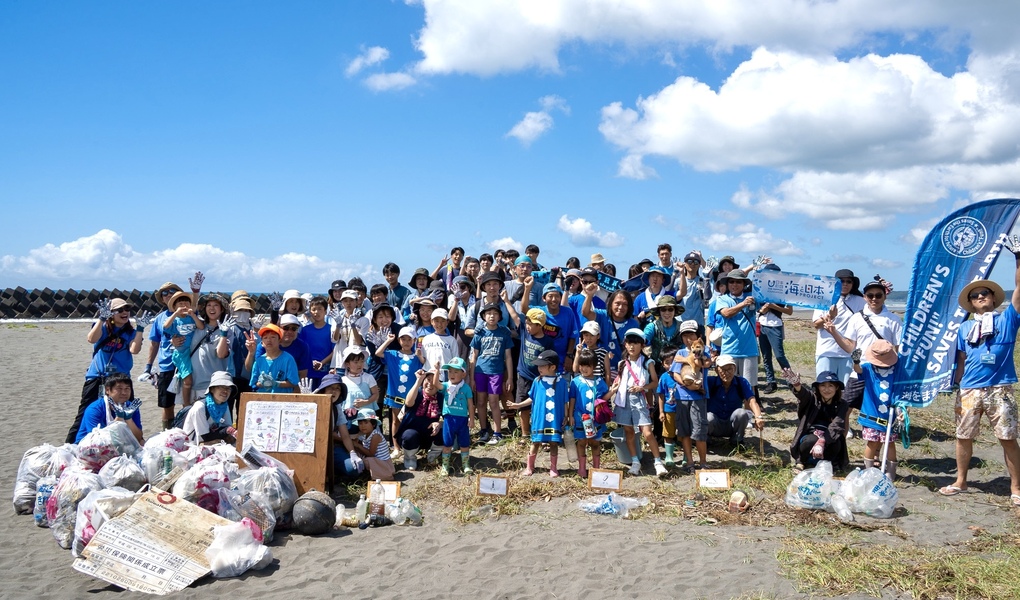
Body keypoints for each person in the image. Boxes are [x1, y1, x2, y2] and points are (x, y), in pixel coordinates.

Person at [939, 255, 1020, 505]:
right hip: (969, 389)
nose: (980, 297)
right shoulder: (964, 329)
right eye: (975, 296)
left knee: (1007, 437)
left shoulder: (1007, 319)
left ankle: (1016, 487)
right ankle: (961, 481)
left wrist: (1018, 259)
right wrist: (954, 382)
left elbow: (1019, 289)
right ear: (971, 304)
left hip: (1000, 388)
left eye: (985, 293)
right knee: (963, 436)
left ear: (994, 298)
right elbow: (961, 359)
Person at [66, 297, 148, 444]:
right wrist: (102, 318)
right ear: (111, 313)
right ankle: (70, 446)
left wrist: (140, 329)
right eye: (120, 310)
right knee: (84, 413)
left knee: (126, 411)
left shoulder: (130, 332)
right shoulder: (103, 327)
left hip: (121, 381)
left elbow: (134, 350)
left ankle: (126, 443)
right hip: (97, 377)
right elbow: (91, 339)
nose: (125, 312)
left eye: (127, 309)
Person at [612, 328, 668, 476]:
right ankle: (635, 461)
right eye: (629, 342)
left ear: (642, 345)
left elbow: (655, 382)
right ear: (625, 344)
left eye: (636, 343)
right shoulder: (622, 363)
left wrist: (642, 387)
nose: (632, 346)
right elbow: (619, 381)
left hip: (639, 400)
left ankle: (658, 462)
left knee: (647, 432)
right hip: (623, 400)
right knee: (629, 432)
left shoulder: (648, 362)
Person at [512, 349, 569, 477]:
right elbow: (531, 398)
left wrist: (566, 416)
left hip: (555, 419)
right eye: (538, 365)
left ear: (553, 367)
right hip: (539, 419)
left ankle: (553, 468)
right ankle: (529, 467)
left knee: (554, 442)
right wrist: (519, 405)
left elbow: (565, 401)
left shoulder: (561, 382)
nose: (539, 368)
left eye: (542, 365)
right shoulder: (537, 381)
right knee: (535, 442)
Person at [468, 301, 515, 445]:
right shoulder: (479, 332)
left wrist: (510, 378)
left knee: (494, 401)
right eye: (488, 313)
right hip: (480, 371)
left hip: (496, 372)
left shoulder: (504, 332)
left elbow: (508, 356)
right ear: (483, 316)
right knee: (481, 401)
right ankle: (483, 430)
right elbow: (474, 356)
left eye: (495, 313)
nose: (492, 316)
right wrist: (471, 379)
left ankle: (497, 432)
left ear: (500, 316)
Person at [853, 340, 901, 479]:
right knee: (872, 442)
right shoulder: (868, 368)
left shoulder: (897, 369)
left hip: (889, 416)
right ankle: (868, 471)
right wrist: (855, 362)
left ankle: (891, 472)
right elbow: (859, 370)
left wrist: (901, 411)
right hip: (871, 414)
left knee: (890, 443)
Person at [669, 321, 711, 471]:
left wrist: (696, 358)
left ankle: (703, 462)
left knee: (699, 431)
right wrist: (687, 384)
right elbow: (674, 373)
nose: (688, 338)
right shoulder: (680, 353)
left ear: (697, 336)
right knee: (684, 431)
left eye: (691, 334)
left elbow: (706, 363)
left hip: (698, 397)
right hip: (682, 396)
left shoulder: (704, 352)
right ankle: (689, 462)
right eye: (685, 335)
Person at [812, 269, 865, 384]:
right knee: (824, 386)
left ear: (853, 284)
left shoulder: (860, 301)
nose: (845, 284)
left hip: (849, 353)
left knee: (845, 389)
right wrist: (830, 316)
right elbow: (816, 325)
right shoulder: (824, 299)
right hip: (826, 350)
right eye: (841, 281)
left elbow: (874, 306)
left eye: (848, 281)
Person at [789, 370, 850, 471]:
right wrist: (797, 385)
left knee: (835, 443)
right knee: (810, 441)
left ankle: (829, 464)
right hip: (811, 434)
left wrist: (822, 440)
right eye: (823, 385)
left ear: (837, 387)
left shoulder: (842, 404)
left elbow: (837, 424)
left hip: (830, 435)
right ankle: (802, 461)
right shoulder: (812, 399)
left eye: (831, 385)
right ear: (818, 387)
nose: (827, 389)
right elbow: (803, 394)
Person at [713, 269, 760, 395]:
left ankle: (750, 413)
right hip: (729, 349)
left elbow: (769, 300)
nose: (734, 284)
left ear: (744, 284)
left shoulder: (752, 297)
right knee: (727, 384)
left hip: (749, 350)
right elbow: (726, 313)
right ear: (727, 284)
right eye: (731, 281)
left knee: (749, 387)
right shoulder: (723, 299)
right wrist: (744, 304)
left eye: (738, 282)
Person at [147, 281, 186, 429]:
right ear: (162, 298)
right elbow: (154, 344)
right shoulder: (159, 319)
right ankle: (167, 433)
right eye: (165, 292)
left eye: (172, 291)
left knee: (187, 403)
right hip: (166, 367)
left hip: (186, 365)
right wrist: (148, 366)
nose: (169, 294)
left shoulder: (190, 314)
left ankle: (186, 433)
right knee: (167, 405)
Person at [511, 308, 556, 436]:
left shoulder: (548, 341)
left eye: (531, 324)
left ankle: (540, 432)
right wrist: (507, 301)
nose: (528, 326)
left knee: (540, 406)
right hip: (524, 377)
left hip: (540, 379)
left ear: (539, 325)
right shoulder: (525, 332)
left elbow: (551, 360)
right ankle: (525, 434)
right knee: (522, 406)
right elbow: (515, 315)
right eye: (527, 323)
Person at [568, 348, 611, 479]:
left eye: (588, 366)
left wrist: (613, 391)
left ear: (594, 366)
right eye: (582, 365)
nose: (584, 369)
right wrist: (570, 415)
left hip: (595, 419)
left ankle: (596, 469)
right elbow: (572, 399)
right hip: (580, 418)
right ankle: (582, 468)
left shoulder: (599, 381)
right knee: (581, 442)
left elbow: (603, 398)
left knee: (595, 443)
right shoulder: (576, 382)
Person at [705, 355, 764, 447]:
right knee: (708, 417)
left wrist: (758, 417)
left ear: (735, 369)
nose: (726, 373)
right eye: (723, 369)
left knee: (741, 413)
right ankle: (705, 440)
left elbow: (752, 401)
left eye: (730, 369)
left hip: (731, 424)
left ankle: (737, 440)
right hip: (714, 424)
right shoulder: (709, 382)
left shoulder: (741, 382)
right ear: (716, 370)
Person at [163, 290, 206, 409]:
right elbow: (165, 326)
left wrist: (193, 315)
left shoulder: (192, 318)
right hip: (181, 353)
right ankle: (186, 405)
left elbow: (201, 326)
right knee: (188, 380)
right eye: (180, 304)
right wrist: (175, 314)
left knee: (191, 379)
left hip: (193, 352)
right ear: (175, 307)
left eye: (186, 303)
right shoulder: (175, 321)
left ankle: (188, 403)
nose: (184, 306)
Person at [74, 372, 143, 444]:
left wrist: (128, 419)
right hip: (90, 446)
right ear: (107, 390)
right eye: (119, 389)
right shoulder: (95, 409)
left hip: (118, 444)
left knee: (142, 443)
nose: (124, 393)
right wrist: (119, 418)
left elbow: (138, 439)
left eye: (127, 389)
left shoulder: (131, 407)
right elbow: (99, 441)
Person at [756, 263, 793, 394]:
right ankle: (771, 382)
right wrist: (762, 309)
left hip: (775, 326)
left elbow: (789, 311)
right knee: (766, 356)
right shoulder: (760, 289)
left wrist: (772, 306)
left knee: (779, 355)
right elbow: (756, 308)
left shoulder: (784, 290)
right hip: (761, 324)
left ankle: (791, 380)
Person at [316, 374, 362, 478]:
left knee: (353, 469)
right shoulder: (313, 404)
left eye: (338, 388)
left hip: (331, 447)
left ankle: (333, 471)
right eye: (331, 387)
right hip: (313, 449)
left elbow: (345, 435)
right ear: (323, 389)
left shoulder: (337, 408)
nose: (334, 391)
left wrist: (353, 453)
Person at [399, 366, 444, 471]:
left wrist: (439, 423)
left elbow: (449, 417)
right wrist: (418, 380)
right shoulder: (417, 392)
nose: (430, 384)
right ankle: (409, 458)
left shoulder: (442, 397)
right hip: (413, 433)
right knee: (409, 435)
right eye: (428, 380)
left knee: (444, 430)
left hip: (430, 433)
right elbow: (408, 403)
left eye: (434, 381)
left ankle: (433, 455)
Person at [436, 357, 474, 476]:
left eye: (456, 371)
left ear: (463, 374)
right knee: (447, 444)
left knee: (464, 443)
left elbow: (470, 405)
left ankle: (466, 465)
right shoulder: (446, 385)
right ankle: (445, 466)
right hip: (449, 419)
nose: (452, 374)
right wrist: (437, 370)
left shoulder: (466, 388)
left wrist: (471, 419)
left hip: (462, 420)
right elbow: (436, 384)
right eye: (450, 371)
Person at [182, 370, 237, 445]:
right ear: (212, 389)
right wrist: (226, 432)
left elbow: (227, 428)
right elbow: (205, 437)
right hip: (193, 445)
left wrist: (229, 433)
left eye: (228, 388)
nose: (225, 391)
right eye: (221, 387)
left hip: (213, 442)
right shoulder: (200, 407)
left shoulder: (224, 405)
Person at [245, 323, 299, 393]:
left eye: (273, 337)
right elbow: (254, 383)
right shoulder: (259, 361)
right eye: (265, 338)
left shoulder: (288, 359)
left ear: (280, 340)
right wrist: (263, 383)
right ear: (262, 343)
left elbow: (293, 383)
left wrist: (276, 383)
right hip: (262, 400)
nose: (269, 340)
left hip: (282, 400)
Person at [300, 296, 335, 388]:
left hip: (325, 372)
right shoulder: (305, 330)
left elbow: (335, 351)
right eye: (314, 309)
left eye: (320, 309)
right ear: (310, 312)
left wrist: (322, 363)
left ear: (325, 311)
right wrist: (311, 361)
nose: (317, 312)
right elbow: (302, 350)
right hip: (308, 371)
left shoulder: (331, 329)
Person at [351, 408, 395, 480]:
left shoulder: (375, 435)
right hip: (376, 460)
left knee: (366, 461)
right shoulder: (365, 435)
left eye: (366, 423)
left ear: (373, 424)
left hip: (383, 463)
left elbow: (371, 453)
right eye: (360, 423)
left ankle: (382, 474)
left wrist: (358, 445)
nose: (363, 426)